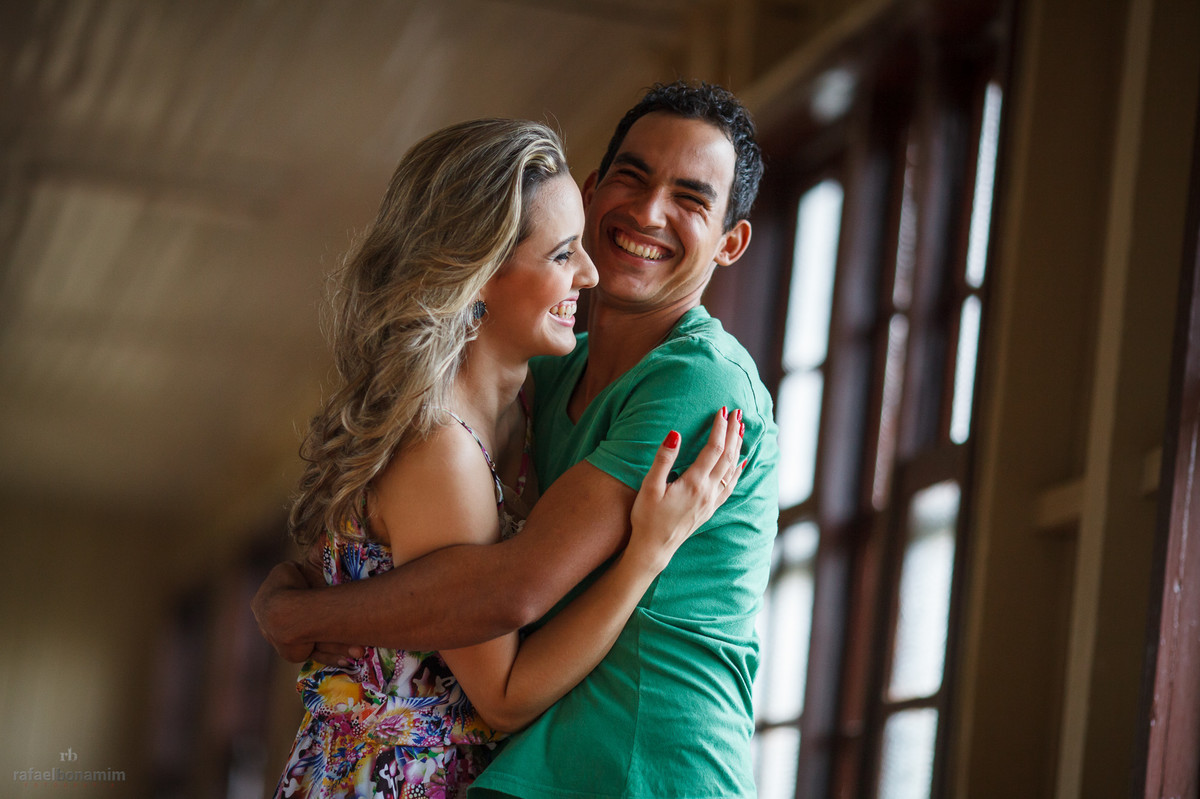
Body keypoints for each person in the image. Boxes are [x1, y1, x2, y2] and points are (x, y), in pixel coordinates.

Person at [255, 81, 779, 797]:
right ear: (594, 192)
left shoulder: (701, 381)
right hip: (524, 774)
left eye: (691, 198)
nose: (650, 210)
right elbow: (444, 567)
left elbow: (515, 585)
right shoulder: (544, 384)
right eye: (633, 175)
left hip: (653, 778)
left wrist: (297, 613)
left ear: (731, 242)